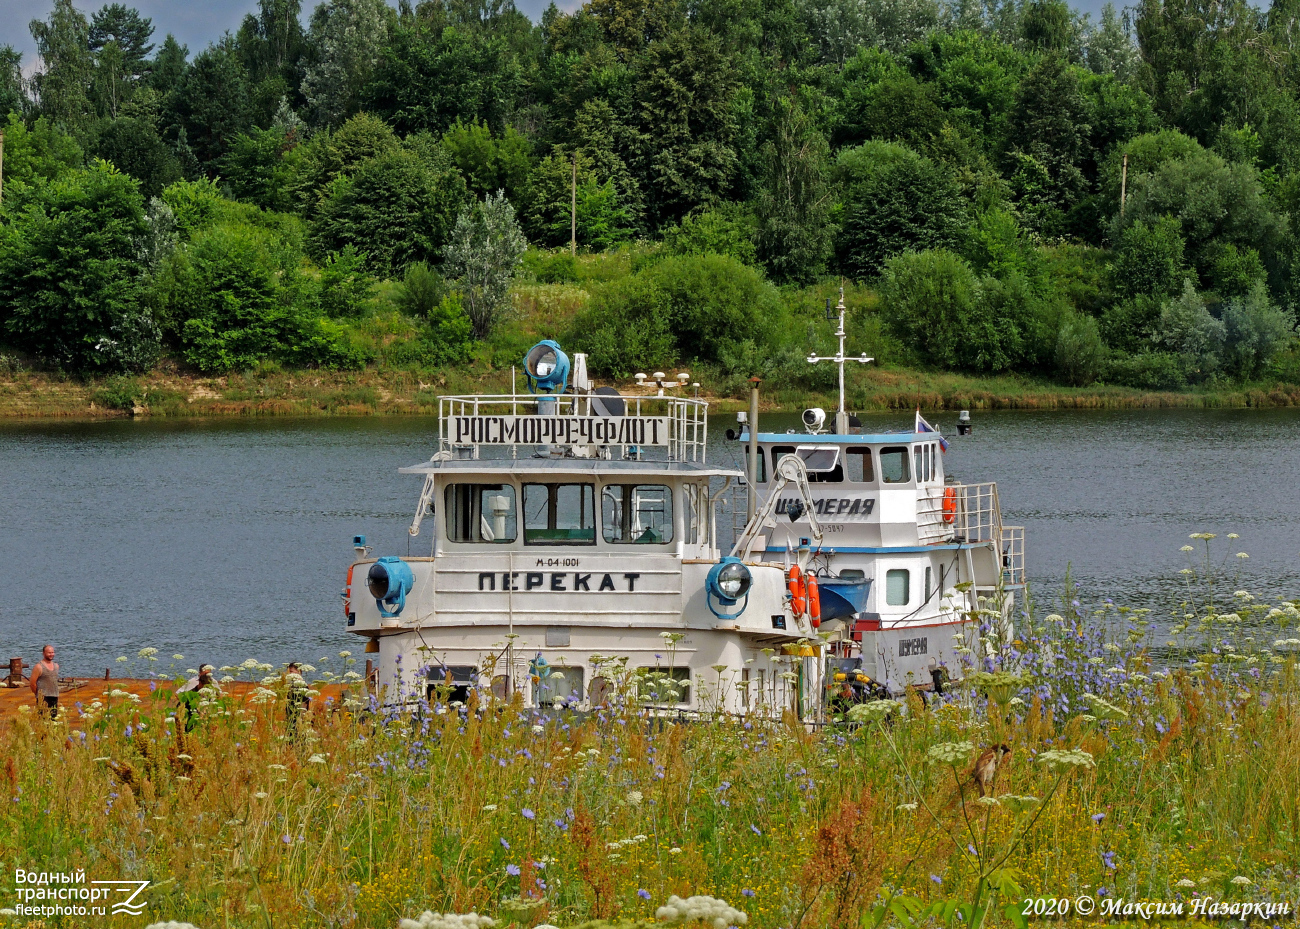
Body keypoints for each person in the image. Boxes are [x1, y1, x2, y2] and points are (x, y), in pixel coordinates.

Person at [177, 664, 219, 732]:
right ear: (200, 673)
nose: (208, 675)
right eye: (206, 673)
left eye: (209, 673)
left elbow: (219, 694)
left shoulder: (213, 682)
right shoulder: (193, 682)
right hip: (192, 712)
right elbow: (178, 693)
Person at [29, 645, 60, 718]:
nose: (51, 654)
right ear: (43, 653)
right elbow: (32, 683)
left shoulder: (56, 666)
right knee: (43, 719)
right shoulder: (38, 667)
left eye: (52, 652)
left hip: (54, 695)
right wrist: (38, 695)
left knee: (53, 718)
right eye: (49, 653)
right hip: (43, 697)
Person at [285, 662, 309, 736]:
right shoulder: (292, 686)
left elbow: (304, 704)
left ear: (299, 672)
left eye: (291, 672)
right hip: (291, 718)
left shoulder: (303, 687)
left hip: (298, 719)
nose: (289, 674)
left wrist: (300, 719)